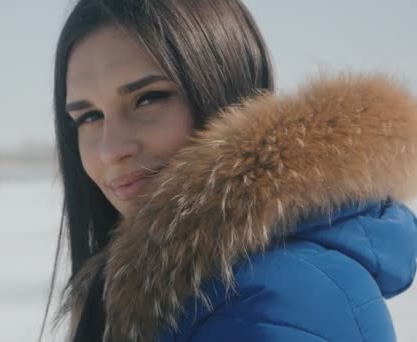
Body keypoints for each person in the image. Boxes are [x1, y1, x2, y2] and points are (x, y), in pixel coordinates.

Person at [41, 0, 417, 341]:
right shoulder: (174, 290)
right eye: (89, 116)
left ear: (225, 90)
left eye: (148, 98)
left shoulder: (278, 300)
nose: (110, 149)